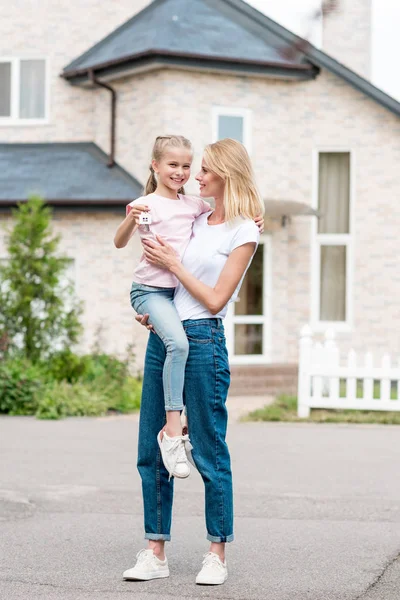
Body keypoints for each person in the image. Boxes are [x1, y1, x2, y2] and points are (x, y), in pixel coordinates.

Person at [122, 138, 265, 586]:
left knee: (209, 452)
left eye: (205, 171)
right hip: (165, 338)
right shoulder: (198, 217)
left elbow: (217, 298)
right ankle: (154, 551)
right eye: (194, 169)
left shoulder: (244, 231)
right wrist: (153, 312)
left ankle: (216, 553)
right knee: (151, 450)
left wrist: (174, 264)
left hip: (204, 341)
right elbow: (160, 276)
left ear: (226, 175)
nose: (196, 177)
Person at [114, 135, 212, 480]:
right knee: (179, 344)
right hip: (150, 292)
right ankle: (172, 431)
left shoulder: (194, 205)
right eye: (173, 164)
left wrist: (255, 220)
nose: (181, 172)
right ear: (155, 165)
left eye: (186, 165)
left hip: (180, 294)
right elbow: (120, 241)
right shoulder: (145, 204)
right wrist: (130, 217)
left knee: (188, 354)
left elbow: (224, 217)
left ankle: (177, 426)